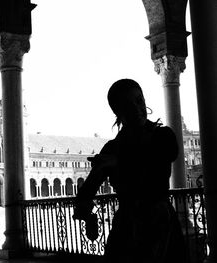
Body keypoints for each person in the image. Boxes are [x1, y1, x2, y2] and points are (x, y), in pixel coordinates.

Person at [74, 78, 187, 263]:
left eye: (139, 101)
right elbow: (87, 189)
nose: (136, 108)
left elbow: (163, 155)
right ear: (118, 111)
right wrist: (88, 215)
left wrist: (118, 162)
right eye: (128, 104)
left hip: (156, 224)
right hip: (131, 224)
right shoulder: (111, 149)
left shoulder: (163, 136)